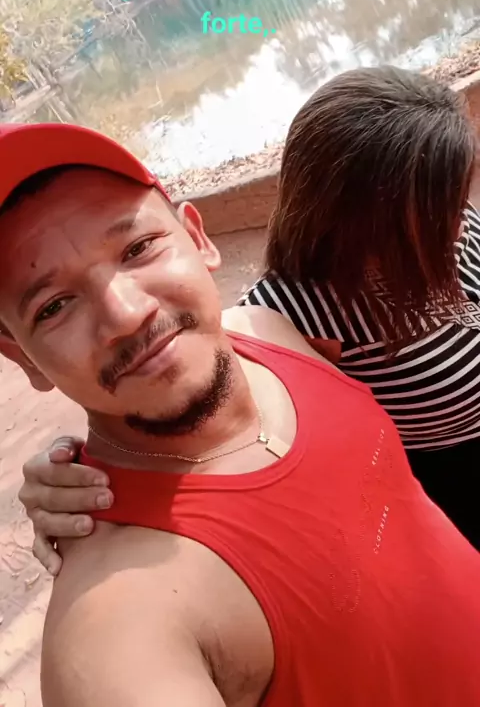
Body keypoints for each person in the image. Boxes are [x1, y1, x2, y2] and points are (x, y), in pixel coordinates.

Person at [2, 122, 480, 707]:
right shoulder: (117, 623)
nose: (125, 313)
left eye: (137, 248)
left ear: (197, 237)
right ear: (22, 357)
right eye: (54, 305)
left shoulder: (268, 328)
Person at [20, 66, 480, 552]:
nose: (458, 224)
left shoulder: (450, 225)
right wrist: (72, 477)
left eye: (456, 200)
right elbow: (194, 394)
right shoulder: (296, 310)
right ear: (351, 220)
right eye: (435, 214)